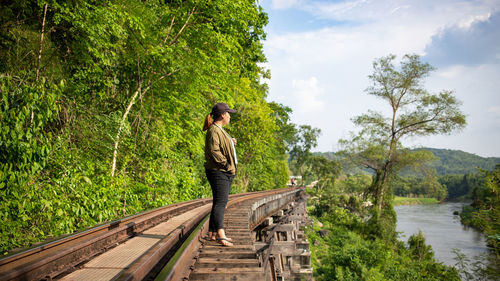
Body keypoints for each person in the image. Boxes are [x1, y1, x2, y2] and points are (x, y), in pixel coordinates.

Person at [202, 102, 238, 247]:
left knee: (218, 202)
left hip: (223, 172)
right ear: (223, 115)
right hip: (219, 172)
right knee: (221, 203)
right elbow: (214, 151)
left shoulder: (219, 130)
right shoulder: (214, 130)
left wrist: (231, 142)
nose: (230, 116)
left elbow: (221, 145)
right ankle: (221, 235)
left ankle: (212, 233)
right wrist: (226, 164)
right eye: (228, 113)